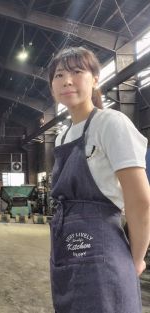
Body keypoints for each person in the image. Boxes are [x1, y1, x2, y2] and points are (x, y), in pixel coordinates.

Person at [48, 46, 150, 312]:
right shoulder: (62, 137)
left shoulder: (110, 123)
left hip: (102, 245)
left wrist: (137, 259)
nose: (67, 80)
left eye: (77, 72)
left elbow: (140, 199)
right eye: (59, 75)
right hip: (64, 244)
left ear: (95, 79)